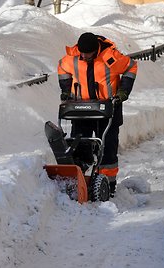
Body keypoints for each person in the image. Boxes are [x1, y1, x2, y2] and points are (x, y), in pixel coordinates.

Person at [57, 32, 138, 197]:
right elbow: (61, 68)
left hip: (108, 108)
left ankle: (108, 184)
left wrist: (123, 91)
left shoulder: (110, 57)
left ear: (96, 50)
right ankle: (81, 180)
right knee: (79, 144)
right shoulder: (72, 58)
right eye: (82, 53)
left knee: (107, 146)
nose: (85, 56)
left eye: (88, 53)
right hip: (80, 108)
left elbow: (131, 66)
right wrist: (66, 90)